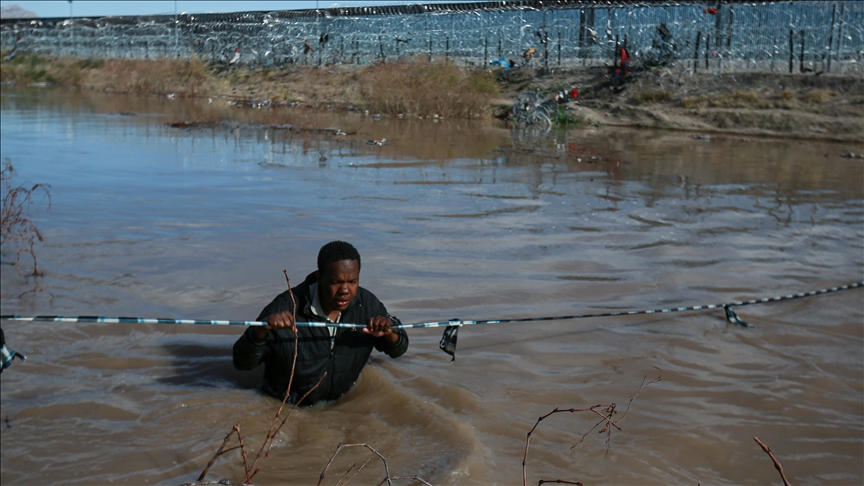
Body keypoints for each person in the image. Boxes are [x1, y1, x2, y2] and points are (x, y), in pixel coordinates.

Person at [233, 241, 408, 405]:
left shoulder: (367, 304)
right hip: (285, 407)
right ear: (319, 277)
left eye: (352, 282)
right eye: (335, 282)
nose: (345, 290)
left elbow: (399, 350)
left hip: (341, 405)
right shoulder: (284, 307)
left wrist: (389, 332)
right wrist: (261, 331)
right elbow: (242, 363)